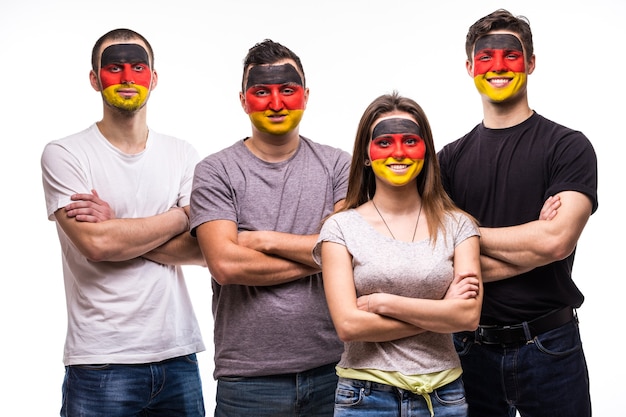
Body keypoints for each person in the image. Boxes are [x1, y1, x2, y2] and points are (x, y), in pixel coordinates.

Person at [437, 9, 598, 417]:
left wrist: (467, 233)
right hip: (470, 349)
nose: (498, 67)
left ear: (530, 62)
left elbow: (558, 239)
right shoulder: (448, 162)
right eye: (485, 58)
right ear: (470, 67)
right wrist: (535, 244)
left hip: (550, 346)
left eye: (510, 56)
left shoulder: (568, 146)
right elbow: (432, 257)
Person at [40, 28, 206, 416]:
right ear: (95, 78)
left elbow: (201, 249)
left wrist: (117, 225)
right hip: (101, 361)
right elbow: (97, 246)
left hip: (177, 355)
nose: (128, 78)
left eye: (138, 67)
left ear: (154, 78)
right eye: (114, 68)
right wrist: (181, 216)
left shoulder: (183, 154)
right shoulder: (65, 154)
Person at [189, 39, 351, 417]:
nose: (276, 103)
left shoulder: (338, 165)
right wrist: (324, 255)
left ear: (306, 96)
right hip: (249, 380)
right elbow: (227, 266)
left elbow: (352, 252)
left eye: (287, 91)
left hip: (334, 370)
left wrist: (262, 240)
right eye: (262, 92)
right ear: (244, 100)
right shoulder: (216, 171)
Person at [314, 91, 483, 417]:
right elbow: (348, 325)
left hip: (443, 396)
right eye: (384, 143)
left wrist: (384, 303)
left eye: (410, 141)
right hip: (363, 397)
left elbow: (468, 318)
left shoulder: (459, 225)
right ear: (365, 154)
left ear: (426, 151)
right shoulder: (340, 228)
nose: (398, 152)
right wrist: (442, 311)